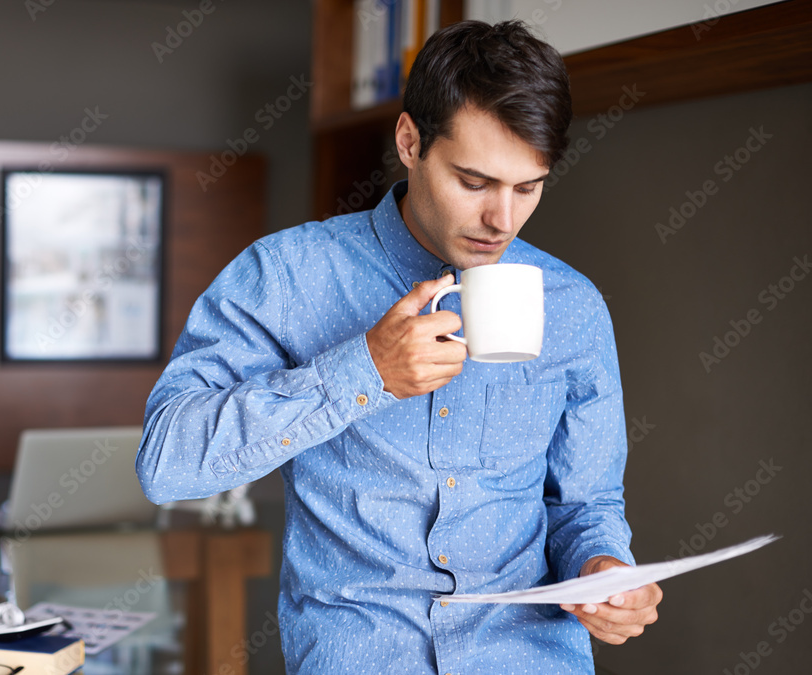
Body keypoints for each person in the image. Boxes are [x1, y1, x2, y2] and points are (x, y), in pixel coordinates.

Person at [137, 19, 661, 674]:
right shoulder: (286, 275)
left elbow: (587, 504)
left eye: (527, 187)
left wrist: (604, 568)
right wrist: (363, 371)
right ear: (410, 142)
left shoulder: (574, 306)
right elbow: (165, 462)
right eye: (474, 182)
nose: (503, 219)